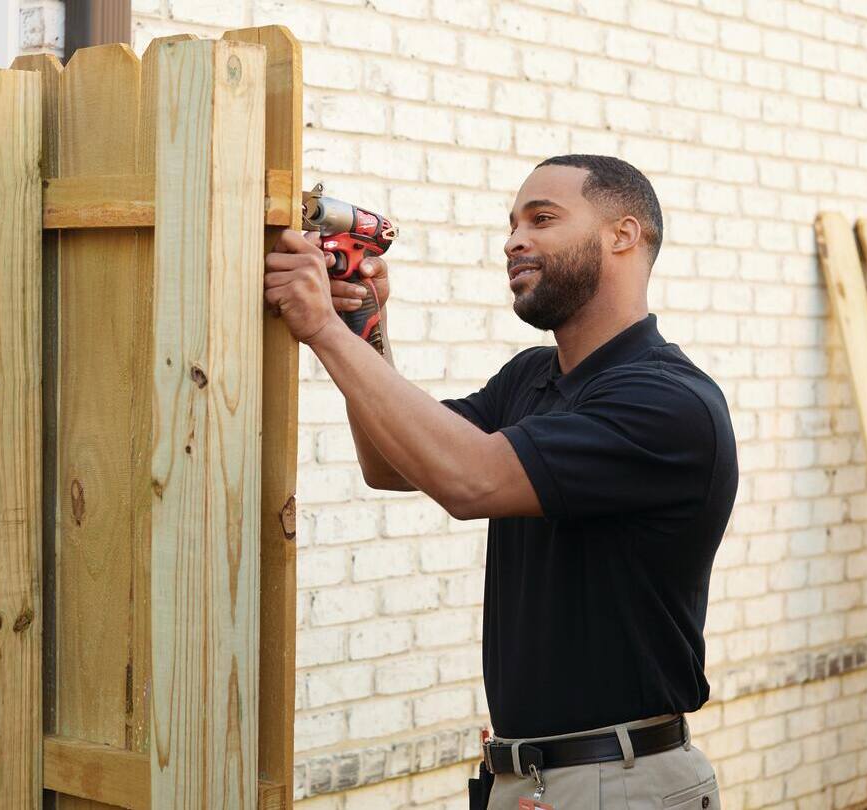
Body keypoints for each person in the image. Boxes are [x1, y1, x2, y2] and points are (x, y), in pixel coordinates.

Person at [263, 155, 738, 809]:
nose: (514, 239)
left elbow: (470, 482)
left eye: (541, 219)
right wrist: (361, 325)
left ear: (623, 236)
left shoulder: (665, 403)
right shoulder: (532, 379)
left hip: (620, 784)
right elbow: (392, 465)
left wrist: (318, 329)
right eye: (511, 223)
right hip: (533, 783)